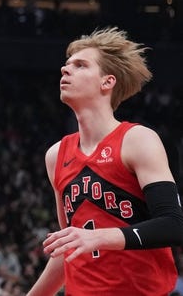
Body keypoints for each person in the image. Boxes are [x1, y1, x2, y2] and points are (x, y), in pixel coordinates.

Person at [26, 27, 183, 296]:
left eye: (80, 65)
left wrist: (99, 236)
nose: (65, 70)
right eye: (66, 65)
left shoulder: (137, 140)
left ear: (107, 82)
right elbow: (69, 249)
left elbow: (173, 224)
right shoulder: (56, 155)